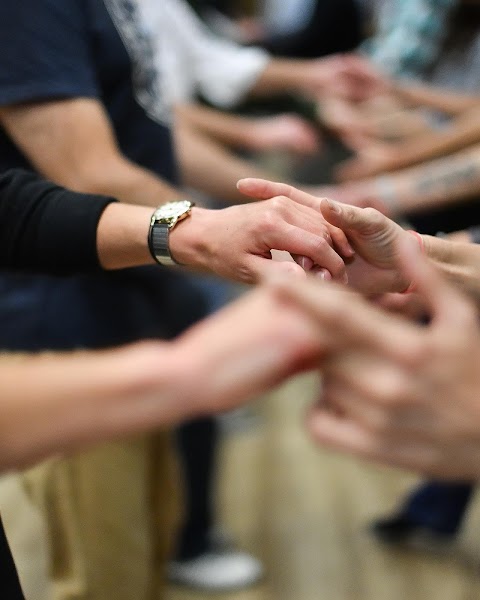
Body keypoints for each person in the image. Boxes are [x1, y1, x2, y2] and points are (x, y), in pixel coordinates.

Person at [0, 1, 353, 597]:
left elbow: (153, 121)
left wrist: (227, 221)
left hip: (133, 294)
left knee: (149, 549)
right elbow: (83, 170)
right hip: (67, 325)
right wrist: (205, 235)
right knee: (105, 570)